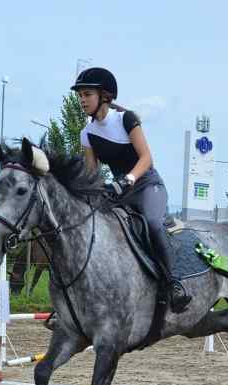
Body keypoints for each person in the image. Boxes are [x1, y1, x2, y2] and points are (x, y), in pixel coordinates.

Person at [72, 67, 191, 312]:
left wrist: (127, 180)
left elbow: (147, 158)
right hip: (119, 192)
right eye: (80, 96)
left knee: (153, 224)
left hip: (147, 184)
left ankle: (174, 284)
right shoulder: (87, 134)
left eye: (86, 94)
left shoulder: (126, 120)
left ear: (104, 95)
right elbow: (92, 174)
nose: (82, 100)